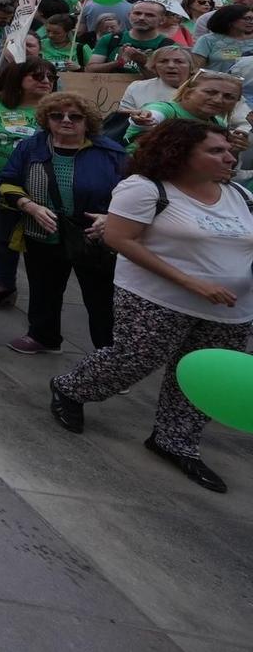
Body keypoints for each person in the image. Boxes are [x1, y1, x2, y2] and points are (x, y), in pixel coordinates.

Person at [48, 120, 253, 493]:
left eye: (228, 150)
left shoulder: (239, 194)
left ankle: (175, 441)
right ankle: (71, 389)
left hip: (231, 309)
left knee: (205, 376)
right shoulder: (145, 189)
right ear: (181, 153)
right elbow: (120, 239)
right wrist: (192, 282)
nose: (229, 156)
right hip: (157, 297)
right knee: (136, 357)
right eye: (216, 150)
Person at [0, 91, 123, 354]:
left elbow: (135, 192)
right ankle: (43, 337)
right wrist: (29, 206)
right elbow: (7, 182)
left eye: (75, 116)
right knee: (43, 288)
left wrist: (112, 217)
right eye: (57, 116)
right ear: (46, 119)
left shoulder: (110, 152)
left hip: (92, 234)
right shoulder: (31, 147)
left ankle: (108, 356)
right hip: (43, 229)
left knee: (100, 297)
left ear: (87, 121)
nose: (66, 121)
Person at [0, 58, 58, 308]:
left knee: (40, 243)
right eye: (38, 77)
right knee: (3, 238)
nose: (46, 81)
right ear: (19, 79)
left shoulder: (58, 109)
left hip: (43, 186)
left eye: (50, 77)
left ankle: (45, 297)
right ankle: (5, 285)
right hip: (2, 183)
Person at [86, 1, 175, 73]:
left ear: (162, 20)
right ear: (129, 16)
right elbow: (90, 70)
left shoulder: (169, 46)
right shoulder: (110, 39)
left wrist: (143, 62)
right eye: (137, 13)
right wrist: (118, 63)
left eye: (150, 15)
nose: (141, 18)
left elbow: (171, 78)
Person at [193, 3, 253, 71]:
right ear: (230, 19)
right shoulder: (207, 40)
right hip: (217, 80)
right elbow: (197, 69)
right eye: (247, 18)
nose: (251, 22)